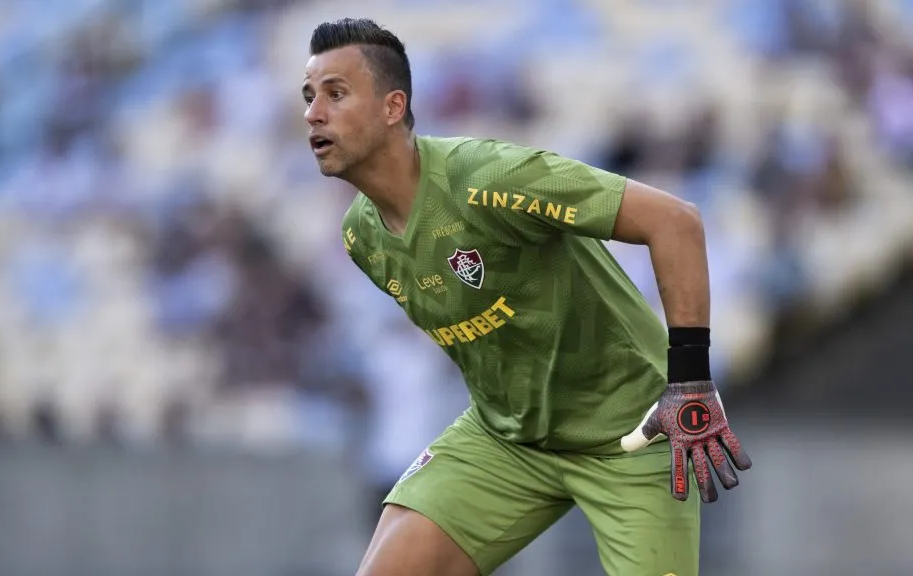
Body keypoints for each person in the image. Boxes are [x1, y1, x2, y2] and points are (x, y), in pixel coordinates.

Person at [302, 18, 752, 576]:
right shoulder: (361, 239)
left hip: (630, 435)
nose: (312, 114)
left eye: (335, 94)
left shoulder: (491, 178)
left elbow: (676, 222)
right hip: (505, 438)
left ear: (393, 108)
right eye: (308, 96)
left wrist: (689, 382)